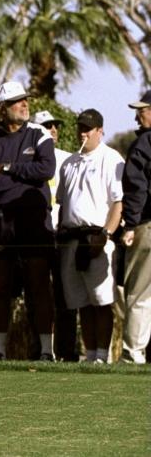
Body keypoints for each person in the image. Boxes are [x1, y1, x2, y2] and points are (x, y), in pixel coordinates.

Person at [0, 80, 56, 361]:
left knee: (39, 286)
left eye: (25, 100)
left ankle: (47, 351)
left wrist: (10, 168)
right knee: (1, 287)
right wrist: (25, 181)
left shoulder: (39, 134)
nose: (24, 105)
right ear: (2, 109)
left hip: (34, 222)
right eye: (16, 102)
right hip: (2, 223)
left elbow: (46, 169)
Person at [55, 109, 123, 364]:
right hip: (71, 238)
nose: (83, 133)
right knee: (81, 301)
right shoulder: (69, 163)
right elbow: (63, 203)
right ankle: (91, 352)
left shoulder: (111, 158)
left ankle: (103, 355)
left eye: (88, 128)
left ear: (99, 131)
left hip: (96, 236)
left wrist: (106, 234)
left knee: (101, 301)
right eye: (80, 128)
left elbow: (118, 202)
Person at [34, 109, 78, 361]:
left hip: (61, 236)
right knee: (38, 295)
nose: (52, 129)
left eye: (54, 125)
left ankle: (67, 350)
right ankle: (42, 350)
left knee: (66, 297)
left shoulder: (68, 159)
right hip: (38, 236)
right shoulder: (30, 158)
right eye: (46, 125)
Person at [120, 90, 151, 364]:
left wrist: (130, 224)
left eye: (142, 110)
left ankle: (132, 354)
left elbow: (136, 188)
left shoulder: (144, 143)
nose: (137, 115)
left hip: (147, 225)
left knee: (139, 293)